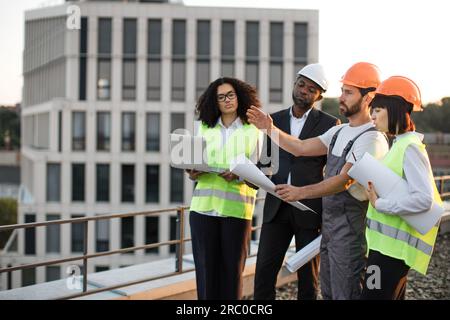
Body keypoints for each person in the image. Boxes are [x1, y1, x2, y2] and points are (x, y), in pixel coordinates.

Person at [247, 62, 390, 299]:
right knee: (330, 292)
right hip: (330, 227)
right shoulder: (339, 131)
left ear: (368, 98)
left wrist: (299, 193)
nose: (341, 97)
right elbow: (301, 147)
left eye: (348, 92)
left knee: (344, 291)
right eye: (342, 91)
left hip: (347, 229)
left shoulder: (371, 138)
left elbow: (343, 181)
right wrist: (269, 128)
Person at [253, 64, 339, 300]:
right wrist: (247, 175)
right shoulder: (274, 120)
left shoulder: (331, 125)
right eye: (301, 85)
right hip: (276, 207)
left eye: (311, 89)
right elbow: (266, 164)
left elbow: (333, 171)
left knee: (308, 279)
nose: (304, 91)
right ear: (294, 85)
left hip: (309, 210)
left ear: (319, 96)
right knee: (263, 274)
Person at [361, 76, 443, 299]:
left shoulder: (410, 147)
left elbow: (423, 199)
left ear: (395, 109)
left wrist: (380, 203)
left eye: (377, 109)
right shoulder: (399, 144)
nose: (373, 116)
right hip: (384, 250)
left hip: (390, 254)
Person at [187, 77, 262, 300]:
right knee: (206, 272)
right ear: (214, 101)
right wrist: (192, 171)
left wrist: (240, 174)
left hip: (236, 210)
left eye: (231, 95)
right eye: (221, 97)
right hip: (202, 210)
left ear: (239, 96)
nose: (227, 100)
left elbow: (261, 173)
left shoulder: (254, 130)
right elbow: (193, 164)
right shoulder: (202, 128)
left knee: (232, 274)